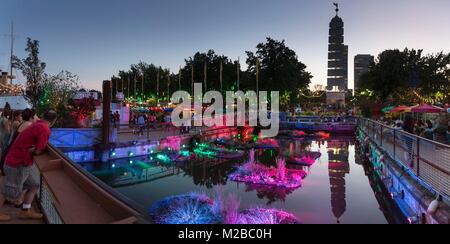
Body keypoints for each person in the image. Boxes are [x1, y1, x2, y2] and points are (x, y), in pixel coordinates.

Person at [0, 110, 57, 221]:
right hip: (17, 164)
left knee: (34, 185)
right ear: (54, 120)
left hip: (17, 162)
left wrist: (33, 149)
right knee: (8, 191)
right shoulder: (44, 129)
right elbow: (38, 151)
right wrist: (35, 150)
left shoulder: (37, 124)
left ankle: (25, 211)